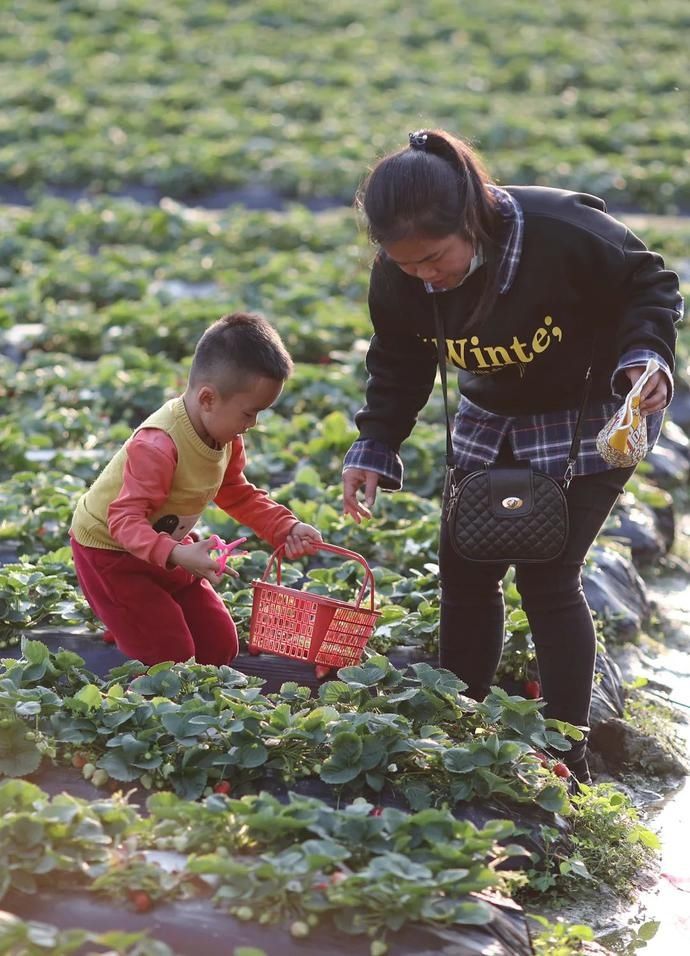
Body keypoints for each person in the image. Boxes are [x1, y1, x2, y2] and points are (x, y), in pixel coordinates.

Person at [342, 129, 683, 784]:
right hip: (493, 411)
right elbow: (398, 360)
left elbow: (652, 280)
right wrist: (376, 443)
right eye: (406, 264)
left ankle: (565, 754)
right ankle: (459, 723)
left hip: (595, 407)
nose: (425, 276)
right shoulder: (402, 276)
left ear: (471, 220)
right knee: (466, 564)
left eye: (435, 259)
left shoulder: (559, 229)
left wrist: (648, 354)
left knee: (547, 575)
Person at [71, 311, 322, 667]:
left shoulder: (226, 437)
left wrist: (286, 527)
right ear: (208, 399)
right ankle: (131, 645)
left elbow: (236, 492)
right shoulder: (158, 446)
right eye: (249, 413)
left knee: (217, 648)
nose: (253, 424)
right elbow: (123, 522)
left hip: (167, 546)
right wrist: (177, 555)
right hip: (111, 553)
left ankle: (134, 621)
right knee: (170, 658)